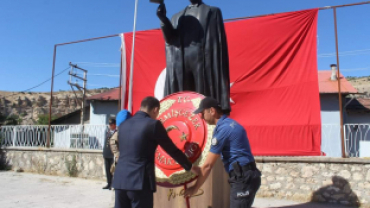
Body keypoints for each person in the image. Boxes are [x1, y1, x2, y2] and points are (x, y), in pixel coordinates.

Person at [112, 96, 200, 208]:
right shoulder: (153, 125)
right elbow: (171, 150)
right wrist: (190, 167)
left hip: (120, 181)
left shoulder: (124, 125)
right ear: (155, 110)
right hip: (140, 182)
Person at [184, 97, 261, 208]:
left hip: (243, 179)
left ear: (212, 111)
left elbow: (207, 166)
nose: (201, 116)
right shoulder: (230, 124)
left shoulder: (224, 130)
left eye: (202, 112)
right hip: (245, 176)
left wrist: (195, 188)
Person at [156, 0, 231, 113]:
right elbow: (170, 40)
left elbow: (218, 41)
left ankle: (206, 121)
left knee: (203, 97)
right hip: (181, 60)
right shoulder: (177, 16)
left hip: (203, 59)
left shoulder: (212, 11)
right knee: (182, 98)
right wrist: (163, 19)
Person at [102, 118, 117, 190]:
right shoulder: (107, 131)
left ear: (114, 125)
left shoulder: (116, 132)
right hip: (106, 153)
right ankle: (108, 183)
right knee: (107, 170)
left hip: (112, 154)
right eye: (109, 124)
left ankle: (112, 184)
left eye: (111, 124)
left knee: (112, 170)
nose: (110, 126)